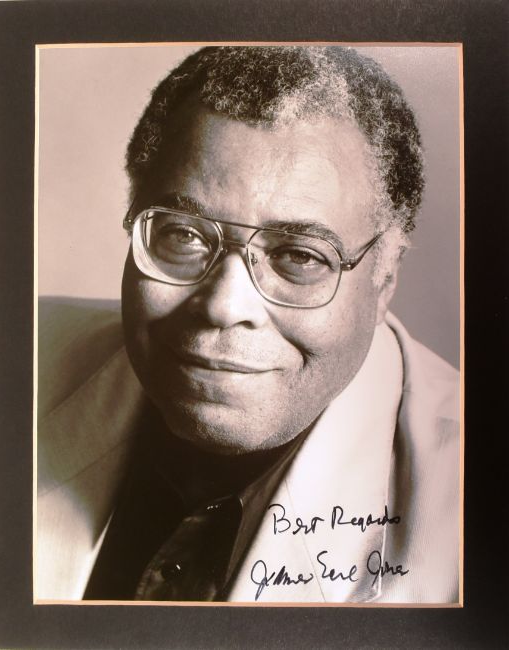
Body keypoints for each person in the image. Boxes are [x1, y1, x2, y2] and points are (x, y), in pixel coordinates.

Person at [36, 45, 460, 604]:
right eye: (184, 235)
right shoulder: (19, 362)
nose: (223, 305)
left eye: (299, 256)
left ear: (384, 281)